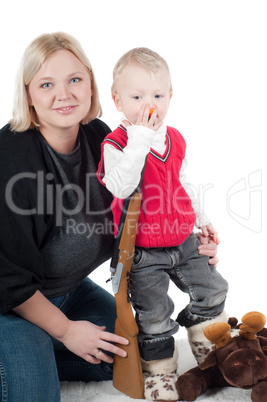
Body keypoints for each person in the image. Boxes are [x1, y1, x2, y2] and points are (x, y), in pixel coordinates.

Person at [0, 33, 218, 402]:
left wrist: (191, 241)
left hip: (66, 290)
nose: (64, 94)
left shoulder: (103, 138)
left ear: (90, 83)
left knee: (120, 360)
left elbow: (155, 199)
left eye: (74, 80)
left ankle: (36, 353)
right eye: (46, 84)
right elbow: (7, 276)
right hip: (11, 302)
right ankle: (25, 354)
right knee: (34, 394)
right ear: (29, 93)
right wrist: (66, 332)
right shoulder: (11, 160)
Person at [97, 47, 229, 401]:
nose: (148, 105)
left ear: (170, 96)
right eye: (137, 97)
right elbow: (121, 185)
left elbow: (183, 182)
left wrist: (201, 220)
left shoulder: (175, 138)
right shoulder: (117, 143)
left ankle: (209, 350)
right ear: (117, 100)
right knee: (154, 316)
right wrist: (139, 137)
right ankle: (160, 373)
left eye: (157, 95)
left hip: (184, 240)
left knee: (213, 289)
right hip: (144, 252)